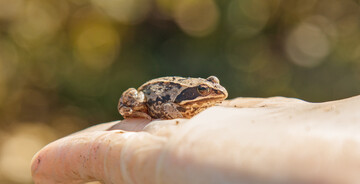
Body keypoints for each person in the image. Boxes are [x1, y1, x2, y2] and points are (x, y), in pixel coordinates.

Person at [31, 96, 360, 184]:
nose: (212, 94)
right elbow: (166, 105)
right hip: (149, 99)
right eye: (204, 91)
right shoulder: (180, 102)